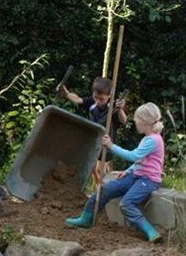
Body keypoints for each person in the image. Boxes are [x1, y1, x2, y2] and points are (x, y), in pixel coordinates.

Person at [65, 102, 164, 243]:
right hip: (137, 175)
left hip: (148, 180)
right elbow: (140, 161)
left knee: (127, 203)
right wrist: (128, 171)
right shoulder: (147, 138)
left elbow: (133, 156)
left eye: (137, 120)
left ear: (145, 122)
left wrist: (111, 146)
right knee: (106, 189)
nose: (135, 122)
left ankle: (150, 231)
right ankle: (86, 218)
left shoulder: (153, 140)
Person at [59, 76, 127, 176]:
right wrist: (67, 94)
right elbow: (78, 99)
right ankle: (97, 188)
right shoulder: (92, 102)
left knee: (102, 170)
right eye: (96, 97)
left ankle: (105, 188)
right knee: (92, 169)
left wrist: (120, 109)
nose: (98, 101)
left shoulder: (113, 107)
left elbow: (124, 120)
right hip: (93, 141)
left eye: (102, 99)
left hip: (106, 145)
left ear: (109, 95)